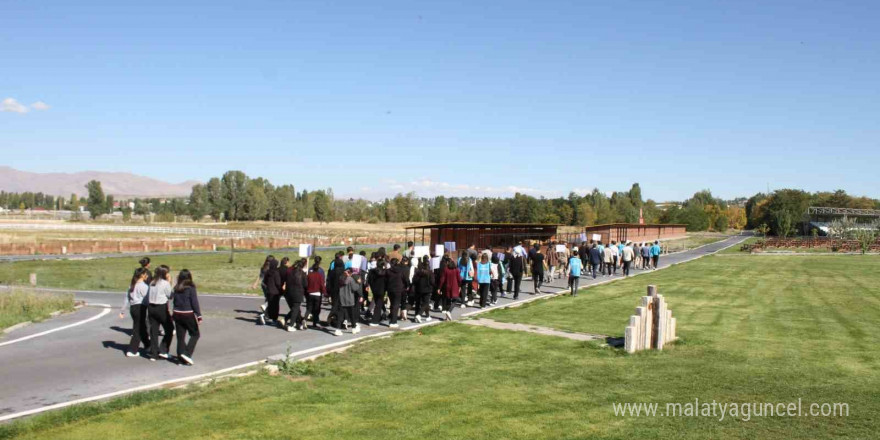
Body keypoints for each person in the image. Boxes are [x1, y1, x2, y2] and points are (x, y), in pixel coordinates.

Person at [172, 269, 201, 366]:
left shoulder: (176, 287)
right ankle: (187, 353)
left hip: (177, 313)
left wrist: (173, 314)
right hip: (187, 313)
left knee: (180, 337)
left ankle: (180, 359)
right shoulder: (191, 287)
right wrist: (198, 315)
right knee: (195, 334)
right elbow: (194, 302)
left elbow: (174, 301)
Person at [120, 267, 151, 357]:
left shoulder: (132, 285)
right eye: (146, 274)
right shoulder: (144, 286)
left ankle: (148, 345)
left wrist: (122, 310)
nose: (147, 275)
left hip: (133, 308)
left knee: (142, 328)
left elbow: (127, 298)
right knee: (137, 329)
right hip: (140, 308)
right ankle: (132, 350)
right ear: (142, 275)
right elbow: (148, 299)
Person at [147, 265, 174, 360]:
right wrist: (170, 282)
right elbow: (170, 295)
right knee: (170, 329)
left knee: (153, 331)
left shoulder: (152, 282)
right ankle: (163, 349)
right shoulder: (165, 283)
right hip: (161, 308)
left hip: (151, 308)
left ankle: (154, 353)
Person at [334, 269, 362, 336]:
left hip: (342, 299)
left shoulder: (340, 279)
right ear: (350, 273)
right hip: (350, 299)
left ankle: (338, 329)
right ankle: (354, 328)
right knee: (351, 315)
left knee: (340, 315)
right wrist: (358, 283)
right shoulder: (350, 279)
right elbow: (355, 288)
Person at [283, 259, 308, 331]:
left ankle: (298, 323)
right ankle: (291, 325)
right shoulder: (302, 273)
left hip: (289, 292)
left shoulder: (290, 272)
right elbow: (305, 284)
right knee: (295, 309)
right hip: (298, 293)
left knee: (295, 309)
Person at [386, 258, 409, 328]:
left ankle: (392, 318)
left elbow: (385, 280)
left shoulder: (388, 271)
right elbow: (405, 279)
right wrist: (407, 285)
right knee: (396, 305)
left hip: (390, 289)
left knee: (392, 304)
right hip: (398, 289)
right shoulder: (400, 271)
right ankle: (393, 321)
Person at [259, 258, 283, 326]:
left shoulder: (267, 272)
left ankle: (264, 316)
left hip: (268, 291)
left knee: (270, 306)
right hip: (275, 292)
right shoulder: (276, 273)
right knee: (275, 307)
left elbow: (265, 281)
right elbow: (278, 283)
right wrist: (281, 289)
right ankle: (274, 320)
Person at [306, 256, 326, 328]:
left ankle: (307, 318)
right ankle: (315, 320)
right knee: (317, 308)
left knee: (310, 306)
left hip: (310, 291)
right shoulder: (321, 271)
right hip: (318, 292)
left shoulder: (310, 269)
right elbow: (322, 282)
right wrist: (324, 292)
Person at [368, 256, 388, 327]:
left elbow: (369, 280)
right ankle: (375, 320)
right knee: (378, 305)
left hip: (374, 289)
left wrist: (372, 287)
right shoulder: (385, 272)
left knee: (378, 303)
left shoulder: (371, 271)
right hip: (382, 289)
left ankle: (379, 316)